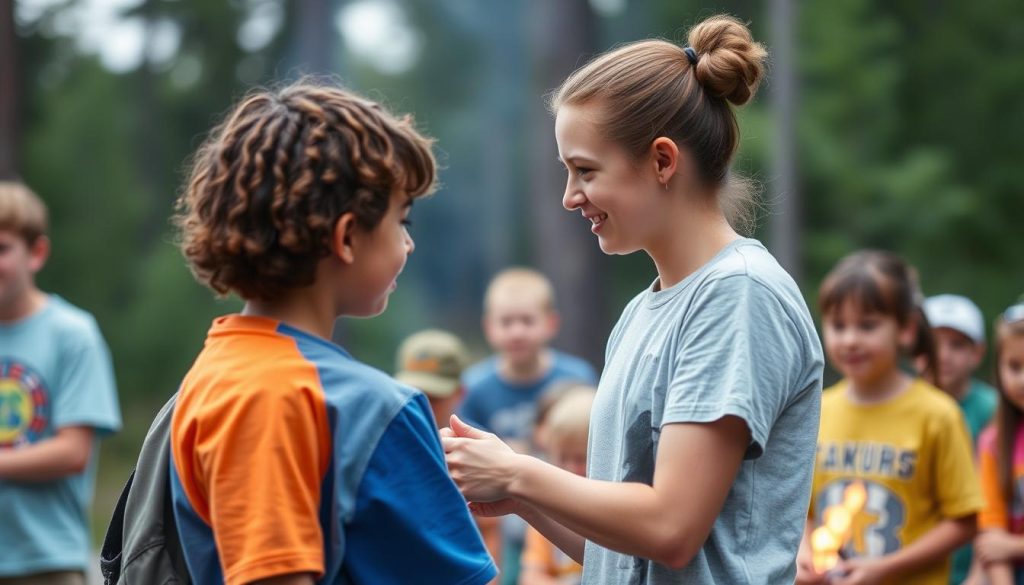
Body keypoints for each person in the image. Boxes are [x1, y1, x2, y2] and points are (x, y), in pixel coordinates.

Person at [443, 15, 825, 584]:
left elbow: (672, 528)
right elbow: (620, 552)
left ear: (663, 161)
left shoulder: (738, 296)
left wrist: (521, 473)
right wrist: (521, 498)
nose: (571, 198)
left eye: (585, 171)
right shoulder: (641, 312)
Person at [169, 81, 496, 585]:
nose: (408, 245)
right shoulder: (358, 405)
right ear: (346, 237)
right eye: (400, 221)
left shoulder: (213, 374)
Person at [796, 251, 982, 585]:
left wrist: (886, 568)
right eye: (839, 325)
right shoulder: (816, 410)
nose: (850, 339)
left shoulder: (938, 415)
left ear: (907, 329)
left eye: (867, 326)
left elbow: (965, 521)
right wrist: (805, 554)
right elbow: (803, 513)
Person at [0, 181, 122, 585]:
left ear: (37, 253)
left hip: (46, 561)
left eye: (2, 249)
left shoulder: (72, 334)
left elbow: (73, 451)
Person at [458, 267, 597, 585]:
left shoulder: (577, 376)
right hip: (505, 509)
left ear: (550, 324)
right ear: (489, 327)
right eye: (507, 322)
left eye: (527, 321)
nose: (517, 332)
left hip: (567, 490)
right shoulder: (475, 386)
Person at [394, 328, 502, 583]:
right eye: (415, 394)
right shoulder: (387, 442)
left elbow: (490, 531)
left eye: (435, 396)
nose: (424, 405)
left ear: (459, 393)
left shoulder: (474, 449)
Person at [922, 294, 999, 584]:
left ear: (977, 353)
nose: (943, 355)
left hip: (975, 567)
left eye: (957, 345)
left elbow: (998, 498)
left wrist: (980, 573)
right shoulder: (896, 405)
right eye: (934, 342)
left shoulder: (995, 410)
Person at [968, 301, 1024, 585]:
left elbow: (1002, 544)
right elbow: (991, 535)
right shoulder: (993, 442)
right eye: (1014, 367)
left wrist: (1014, 546)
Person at [519, 386, 595, 585]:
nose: (571, 468)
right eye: (562, 458)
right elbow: (530, 577)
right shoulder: (548, 508)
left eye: (581, 458)